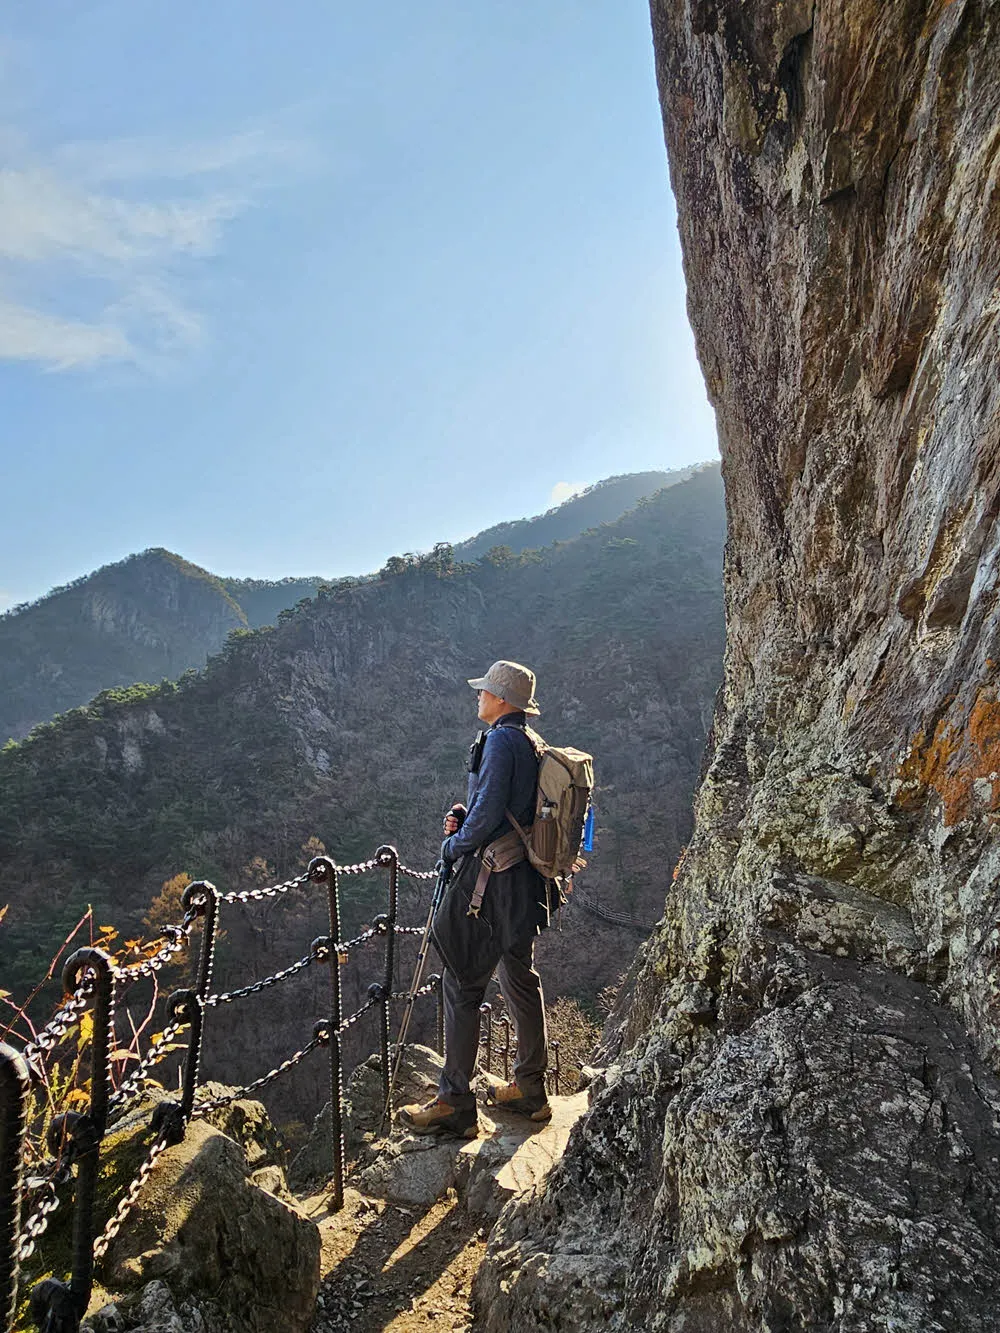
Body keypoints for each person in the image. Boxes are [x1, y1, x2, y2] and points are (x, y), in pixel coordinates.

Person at [399, 660, 552, 1139]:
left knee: (462, 982)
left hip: (494, 886)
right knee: (520, 978)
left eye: (485, 691)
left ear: (502, 699)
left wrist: (455, 843)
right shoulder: (529, 742)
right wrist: (468, 816)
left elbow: (487, 816)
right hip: (525, 882)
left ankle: (454, 1104)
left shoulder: (502, 741)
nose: (478, 697)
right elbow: (504, 807)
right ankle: (530, 1088)